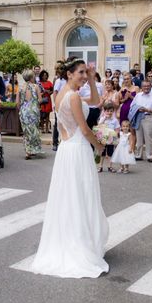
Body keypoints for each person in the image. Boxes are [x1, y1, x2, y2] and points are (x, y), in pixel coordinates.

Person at [30, 59, 108, 278]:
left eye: (86, 72)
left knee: (70, 197)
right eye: (81, 73)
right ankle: (80, 244)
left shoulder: (62, 94)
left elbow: (95, 100)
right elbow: (84, 129)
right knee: (80, 197)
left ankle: (72, 239)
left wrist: (92, 79)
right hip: (77, 149)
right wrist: (100, 146)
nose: (84, 76)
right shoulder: (72, 96)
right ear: (69, 74)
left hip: (67, 150)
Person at [129, 79, 152, 162]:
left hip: (148, 117)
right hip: (138, 117)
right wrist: (137, 109)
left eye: (148, 86)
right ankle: (139, 155)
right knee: (139, 138)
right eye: (144, 86)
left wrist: (147, 110)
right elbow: (132, 105)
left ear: (150, 86)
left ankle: (150, 155)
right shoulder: (138, 95)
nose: (146, 87)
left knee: (149, 137)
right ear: (141, 87)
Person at [17, 69, 42, 159]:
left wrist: (22, 109)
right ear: (31, 77)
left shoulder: (20, 87)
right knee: (34, 130)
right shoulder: (36, 86)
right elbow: (40, 100)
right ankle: (33, 149)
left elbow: (17, 102)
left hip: (24, 111)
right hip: (33, 111)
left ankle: (28, 151)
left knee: (26, 131)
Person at [96, 102, 120, 172]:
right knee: (102, 152)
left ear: (113, 111)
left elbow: (117, 129)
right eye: (108, 111)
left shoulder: (114, 120)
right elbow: (99, 126)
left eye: (111, 111)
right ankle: (100, 166)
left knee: (110, 153)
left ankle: (110, 166)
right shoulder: (102, 118)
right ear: (104, 111)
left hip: (111, 138)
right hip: (103, 138)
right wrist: (104, 119)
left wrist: (115, 135)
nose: (109, 112)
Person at [52, 61, 67, 151]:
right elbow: (55, 93)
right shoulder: (58, 81)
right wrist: (56, 104)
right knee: (57, 124)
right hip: (60, 104)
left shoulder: (67, 80)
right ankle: (55, 142)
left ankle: (63, 141)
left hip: (67, 104)